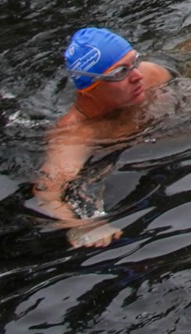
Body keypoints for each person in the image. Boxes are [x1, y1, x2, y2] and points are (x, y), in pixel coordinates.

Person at [33, 27, 174, 249]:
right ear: (89, 87)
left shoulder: (151, 76)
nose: (137, 76)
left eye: (135, 62)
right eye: (120, 72)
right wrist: (83, 226)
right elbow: (48, 195)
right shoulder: (76, 134)